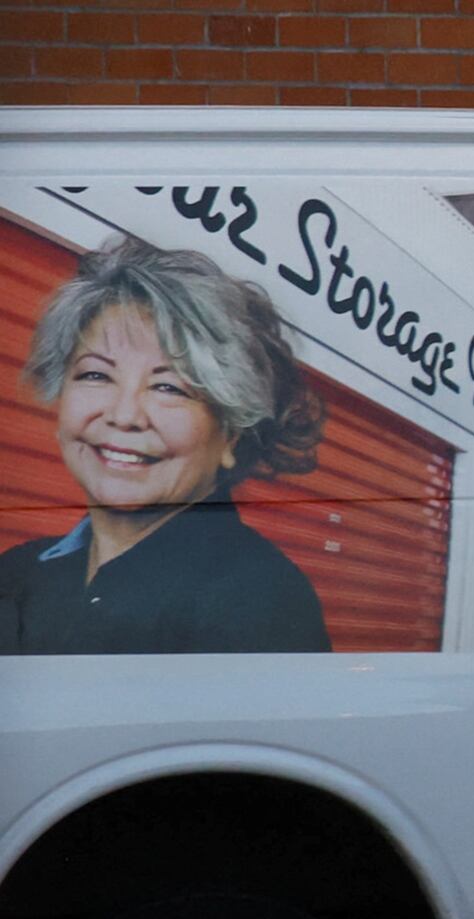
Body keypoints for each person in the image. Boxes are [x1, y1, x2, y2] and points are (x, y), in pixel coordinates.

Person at [1, 235, 328, 655]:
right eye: (96, 375)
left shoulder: (261, 602)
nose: (124, 415)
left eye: (168, 386)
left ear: (232, 433)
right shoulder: (18, 571)